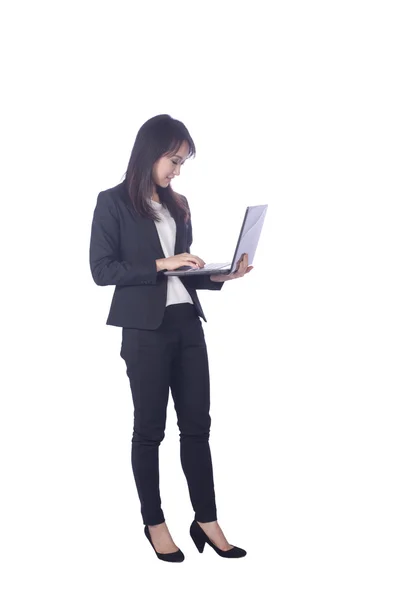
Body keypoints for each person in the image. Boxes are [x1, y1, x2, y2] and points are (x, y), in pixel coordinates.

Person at [89, 114, 253, 562]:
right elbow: (102, 271)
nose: (177, 171)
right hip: (144, 331)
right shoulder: (113, 203)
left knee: (198, 427)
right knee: (149, 432)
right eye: (174, 160)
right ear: (150, 151)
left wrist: (222, 275)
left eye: (182, 163)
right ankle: (154, 522)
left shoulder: (179, 204)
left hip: (186, 327)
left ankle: (206, 518)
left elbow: (185, 274)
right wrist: (163, 264)